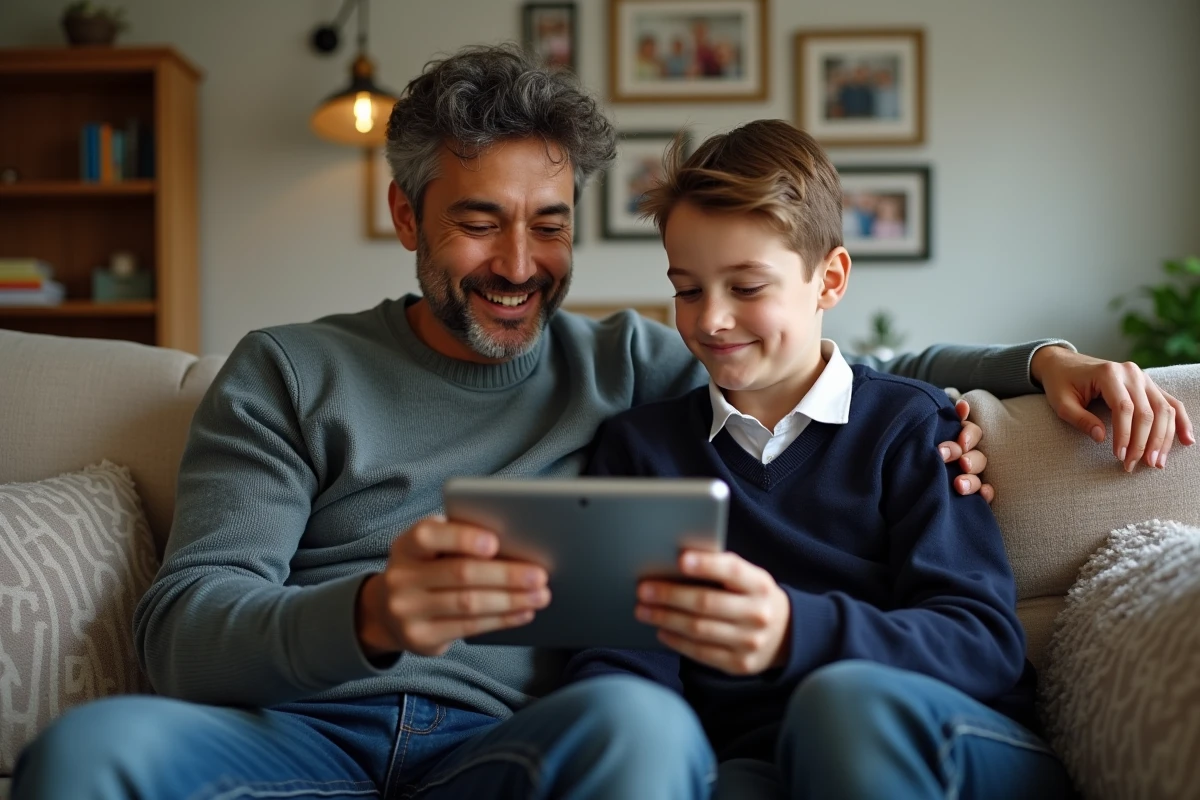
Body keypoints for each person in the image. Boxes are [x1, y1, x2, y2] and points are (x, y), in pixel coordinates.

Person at [11, 44, 1191, 800]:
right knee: (84, 753)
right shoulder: (286, 373)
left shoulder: (635, 361)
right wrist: (369, 612)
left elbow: (836, 365)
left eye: (550, 224)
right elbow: (185, 630)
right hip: (295, 735)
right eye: (478, 222)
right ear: (405, 213)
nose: (519, 267)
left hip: (512, 748)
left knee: (635, 722)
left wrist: (1041, 363)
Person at [563, 119, 1082, 799]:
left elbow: (980, 642)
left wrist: (791, 630)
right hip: (752, 762)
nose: (710, 319)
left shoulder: (911, 425)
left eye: (746, 288)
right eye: (688, 289)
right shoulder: (640, 449)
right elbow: (620, 661)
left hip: (940, 736)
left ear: (829, 279)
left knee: (841, 704)